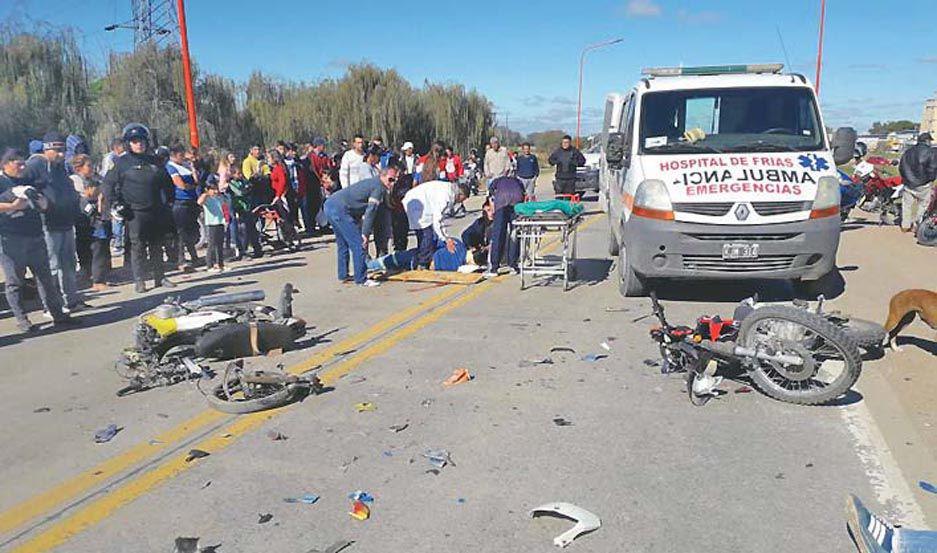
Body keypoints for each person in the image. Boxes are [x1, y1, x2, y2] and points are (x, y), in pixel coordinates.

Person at [0, 149, 74, 332]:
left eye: (23, 164)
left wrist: (42, 202)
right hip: (11, 238)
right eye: (18, 164)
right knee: (15, 282)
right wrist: (12, 206)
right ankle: (22, 319)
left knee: (45, 278)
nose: (22, 168)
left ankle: (57, 314)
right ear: (6, 164)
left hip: (35, 235)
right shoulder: (1, 182)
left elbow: (43, 202)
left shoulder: (28, 180)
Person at [102, 123, 176, 293]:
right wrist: (115, 204)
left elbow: (167, 183)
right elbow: (108, 185)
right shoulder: (121, 163)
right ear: (128, 143)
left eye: (141, 140)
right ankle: (139, 280)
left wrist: (169, 202)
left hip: (155, 210)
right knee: (138, 247)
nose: (139, 144)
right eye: (134, 141)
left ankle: (160, 276)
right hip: (134, 213)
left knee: (157, 245)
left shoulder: (155, 161)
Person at [25, 131, 88, 312]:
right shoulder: (34, 165)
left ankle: (71, 301)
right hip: (47, 225)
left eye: (63, 150)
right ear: (46, 149)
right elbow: (22, 188)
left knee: (68, 265)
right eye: (57, 150)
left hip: (66, 223)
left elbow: (66, 188)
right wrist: (38, 202)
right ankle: (51, 307)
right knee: (51, 267)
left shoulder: (60, 167)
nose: (61, 154)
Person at [323, 166, 399, 287]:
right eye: (391, 179)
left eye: (395, 180)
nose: (393, 183)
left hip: (330, 205)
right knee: (359, 244)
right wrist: (365, 233)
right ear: (382, 176)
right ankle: (361, 279)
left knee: (343, 243)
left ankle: (343, 274)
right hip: (340, 209)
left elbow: (358, 205)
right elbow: (371, 211)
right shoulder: (379, 187)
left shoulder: (372, 183)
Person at [403, 180, 469, 269]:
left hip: (419, 203)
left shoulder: (449, 190)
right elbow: (438, 220)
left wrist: (444, 237)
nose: (461, 202)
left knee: (429, 237)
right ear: (460, 195)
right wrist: (447, 239)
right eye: (463, 199)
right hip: (416, 205)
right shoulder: (445, 197)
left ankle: (423, 259)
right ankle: (422, 264)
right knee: (427, 236)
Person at [70, 154, 111, 290]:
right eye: (88, 166)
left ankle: (98, 279)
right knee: (84, 248)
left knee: (99, 246)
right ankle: (86, 274)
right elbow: (80, 197)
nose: (91, 168)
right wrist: (89, 197)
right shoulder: (74, 180)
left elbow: (102, 192)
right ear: (79, 168)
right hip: (82, 218)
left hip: (97, 218)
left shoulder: (97, 179)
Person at [167, 144, 201, 271]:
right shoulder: (171, 167)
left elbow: (196, 180)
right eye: (180, 155)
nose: (183, 157)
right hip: (180, 201)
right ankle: (181, 260)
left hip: (191, 200)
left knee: (191, 231)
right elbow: (180, 185)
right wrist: (191, 186)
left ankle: (194, 256)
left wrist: (192, 167)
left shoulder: (185, 166)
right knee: (181, 233)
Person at [898, 132, 937, 233]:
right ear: (927, 141)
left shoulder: (908, 152)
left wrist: (906, 179)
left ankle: (905, 226)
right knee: (923, 204)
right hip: (924, 184)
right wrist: (931, 180)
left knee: (906, 205)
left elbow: (901, 167)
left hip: (908, 183)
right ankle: (917, 224)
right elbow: (932, 169)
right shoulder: (931, 152)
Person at [486, 174, 524, 276]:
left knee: (498, 234)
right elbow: (523, 193)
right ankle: (513, 265)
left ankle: (494, 268)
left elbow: (490, 195)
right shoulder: (517, 180)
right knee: (514, 233)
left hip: (501, 202)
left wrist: (493, 209)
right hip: (516, 201)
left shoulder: (496, 181)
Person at [227, 166, 263, 258]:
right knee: (243, 230)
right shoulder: (232, 184)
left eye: (240, 173)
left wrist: (248, 187)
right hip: (239, 208)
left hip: (247, 207)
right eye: (238, 174)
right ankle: (243, 251)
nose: (240, 175)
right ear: (233, 175)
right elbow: (240, 192)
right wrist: (246, 189)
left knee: (252, 229)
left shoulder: (243, 181)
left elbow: (250, 187)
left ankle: (257, 249)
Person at [198, 176, 230, 272]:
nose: (215, 191)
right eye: (213, 190)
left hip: (220, 222)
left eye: (216, 189)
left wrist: (226, 218)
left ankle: (220, 264)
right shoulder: (207, 198)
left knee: (220, 245)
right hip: (211, 224)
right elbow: (199, 202)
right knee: (211, 245)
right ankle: (209, 265)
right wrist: (206, 194)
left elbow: (225, 206)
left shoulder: (219, 198)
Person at [461, 197, 495, 265]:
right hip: (481, 249)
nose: (490, 213)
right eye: (487, 211)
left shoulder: (498, 223)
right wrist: (471, 247)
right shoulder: (480, 222)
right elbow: (466, 234)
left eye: (491, 210)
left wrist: (488, 247)